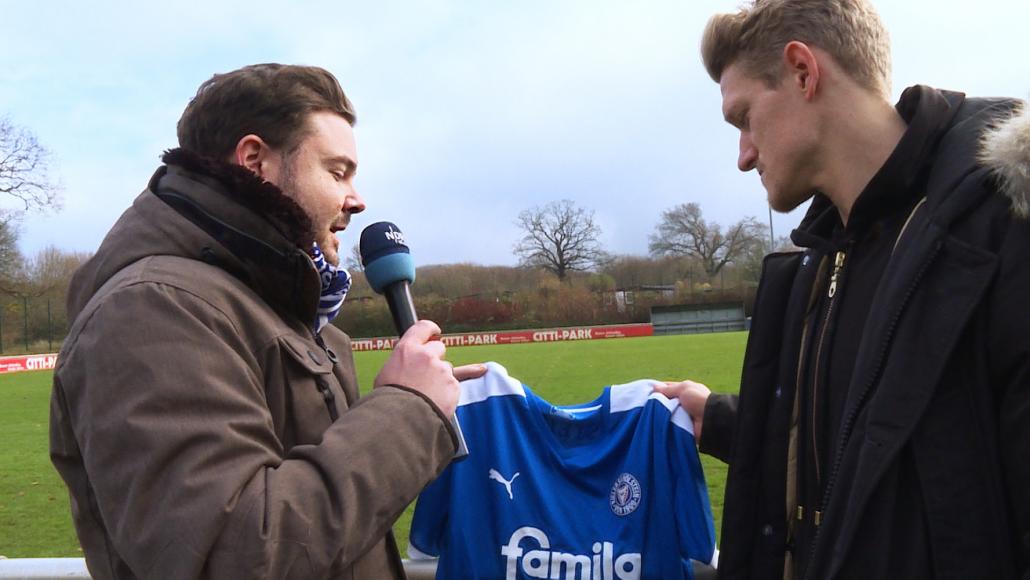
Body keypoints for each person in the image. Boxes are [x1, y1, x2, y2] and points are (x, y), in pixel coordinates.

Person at [50, 63, 484, 580]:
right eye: (337, 171)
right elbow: (231, 554)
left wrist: (404, 407)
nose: (357, 199)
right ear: (255, 161)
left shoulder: (290, 316)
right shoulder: (152, 307)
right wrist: (408, 413)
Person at [655, 1, 1030, 578]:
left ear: (803, 71)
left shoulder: (1002, 231)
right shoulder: (817, 258)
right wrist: (724, 422)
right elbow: (862, 440)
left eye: (744, 119)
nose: (743, 155)